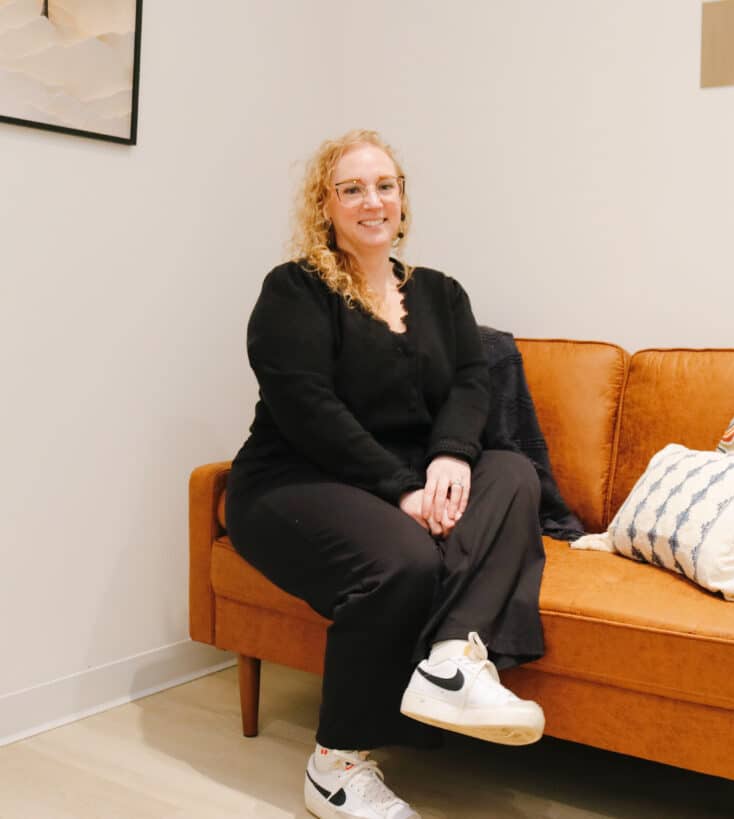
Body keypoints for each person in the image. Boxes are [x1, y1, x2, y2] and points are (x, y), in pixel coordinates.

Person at [224, 130, 547, 819]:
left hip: (411, 473)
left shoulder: (441, 293)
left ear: (402, 199)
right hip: (295, 478)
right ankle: (334, 768)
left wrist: (450, 456)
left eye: (385, 186)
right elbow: (307, 408)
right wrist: (403, 490)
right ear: (325, 206)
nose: (372, 201)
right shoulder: (295, 289)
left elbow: (471, 381)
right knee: (405, 560)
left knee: (512, 472)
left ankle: (452, 660)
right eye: (352, 189)